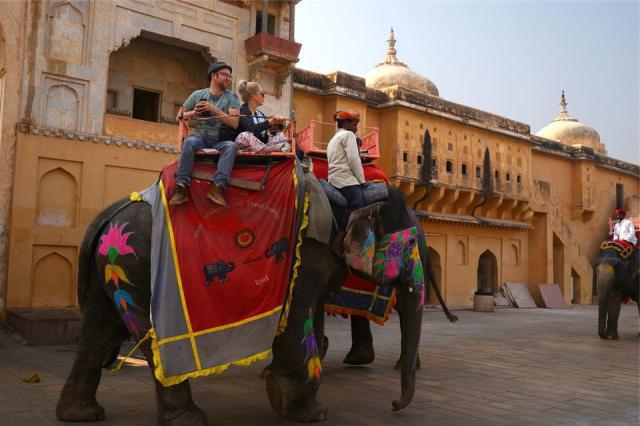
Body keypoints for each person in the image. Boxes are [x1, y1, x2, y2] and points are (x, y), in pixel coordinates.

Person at [169, 61, 241, 207]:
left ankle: (218, 188)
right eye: (225, 75)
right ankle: (181, 187)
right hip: (200, 136)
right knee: (189, 142)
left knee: (231, 146)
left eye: (230, 76)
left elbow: (234, 123)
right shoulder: (198, 94)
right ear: (214, 76)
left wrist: (213, 108)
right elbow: (179, 116)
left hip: (221, 138)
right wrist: (194, 112)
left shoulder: (232, 97)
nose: (228, 78)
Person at [327, 111, 366, 223]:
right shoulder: (348, 135)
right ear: (346, 124)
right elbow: (354, 160)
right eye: (354, 125)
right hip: (346, 182)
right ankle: (343, 233)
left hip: (334, 180)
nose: (356, 128)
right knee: (358, 205)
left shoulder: (333, 139)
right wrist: (362, 181)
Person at [235, 80, 290, 153]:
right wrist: (270, 122)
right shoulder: (243, 110)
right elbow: (251, 128)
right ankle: (265, 149)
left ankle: (266, 148)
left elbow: (264, 135)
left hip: (261, 144)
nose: (263, 97)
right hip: (246, 144)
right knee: (244, 135)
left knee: (284, 138)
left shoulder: (260, 114)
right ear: (253, 96)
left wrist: (278, 123)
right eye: (262, 94)